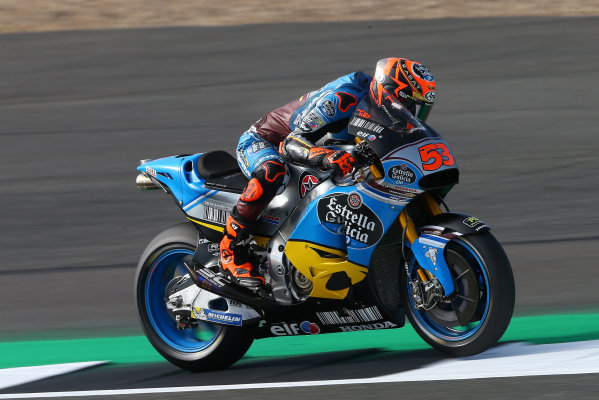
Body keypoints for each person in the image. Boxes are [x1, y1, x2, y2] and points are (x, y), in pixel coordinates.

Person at [219, 57, 437, 287]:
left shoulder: (387, 112)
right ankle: (230, 249)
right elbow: (291, 143)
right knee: (272, 171)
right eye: (411, 104)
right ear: (391, 92)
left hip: (317, 150)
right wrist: (326, 156)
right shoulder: (344, 97)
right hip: (267, 142)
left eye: (420, 108)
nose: (413, 113)